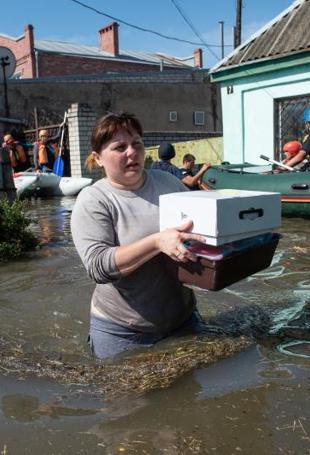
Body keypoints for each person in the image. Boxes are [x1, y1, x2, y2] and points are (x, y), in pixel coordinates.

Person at [70, 112, 208, 359]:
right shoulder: (94, 200)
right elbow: (98, 266)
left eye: (137, 144)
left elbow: (205, 228)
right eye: (120, 147)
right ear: (98, 158)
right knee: (132, 399)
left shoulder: (168, 183)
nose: (131, 152)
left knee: (193, 393)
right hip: (123, 333)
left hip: (184, 321)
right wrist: (157, 242)